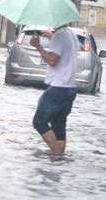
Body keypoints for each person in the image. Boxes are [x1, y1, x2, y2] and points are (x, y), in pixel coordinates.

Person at [30, 25, 78, 155]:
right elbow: (64, 50)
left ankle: (56, 155)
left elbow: (52, 60)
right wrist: (51, 36)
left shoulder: (59, 36)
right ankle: (59, 161)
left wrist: (37, 46)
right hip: (70, 88)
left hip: (58, 88)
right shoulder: (70, 34)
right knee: (58, 124)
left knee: (39, 122)